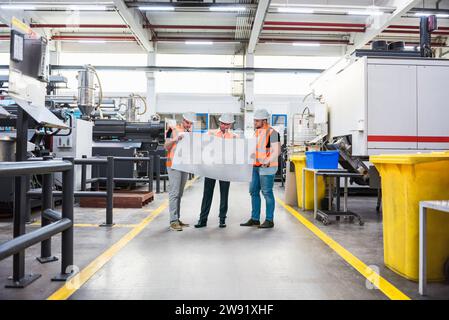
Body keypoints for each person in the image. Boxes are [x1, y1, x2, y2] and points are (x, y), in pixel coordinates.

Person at [195, 113, 237, 229]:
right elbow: (202, 147)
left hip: (225, 169)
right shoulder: (210, 133)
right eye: (223, 124)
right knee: (207, 194)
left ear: (230, 124)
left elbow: (236, 153)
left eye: (227, 124)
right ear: (220, 123)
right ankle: (202, 220)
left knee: (224, 194)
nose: (225, 126)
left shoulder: (234, 137)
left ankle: (222, 219)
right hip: (211, 168)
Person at [240, 109, 280, 229]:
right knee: (253, 191)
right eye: (254, 120)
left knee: (267, 192)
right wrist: (251, 155)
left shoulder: (272, 133)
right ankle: (255, 219)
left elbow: (277, 150)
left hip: (267, 167)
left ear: (264, 120)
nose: (255, 122)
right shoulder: (257, 132)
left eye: (257, 121)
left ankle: (269, 220)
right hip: (255, 166)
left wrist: (266, 161)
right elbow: (257, 149)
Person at [164, 112, 196, 231]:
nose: (188, 125)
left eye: (190, 124)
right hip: (173, 164)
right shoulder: (172, 130)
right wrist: (175, 140)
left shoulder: (189, 133)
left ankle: (177, 218)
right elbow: (166, 146)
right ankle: (173, 220)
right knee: (174, 192)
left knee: (180, 193)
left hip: (184, 165)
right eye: (187, 123)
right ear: (183, 120)